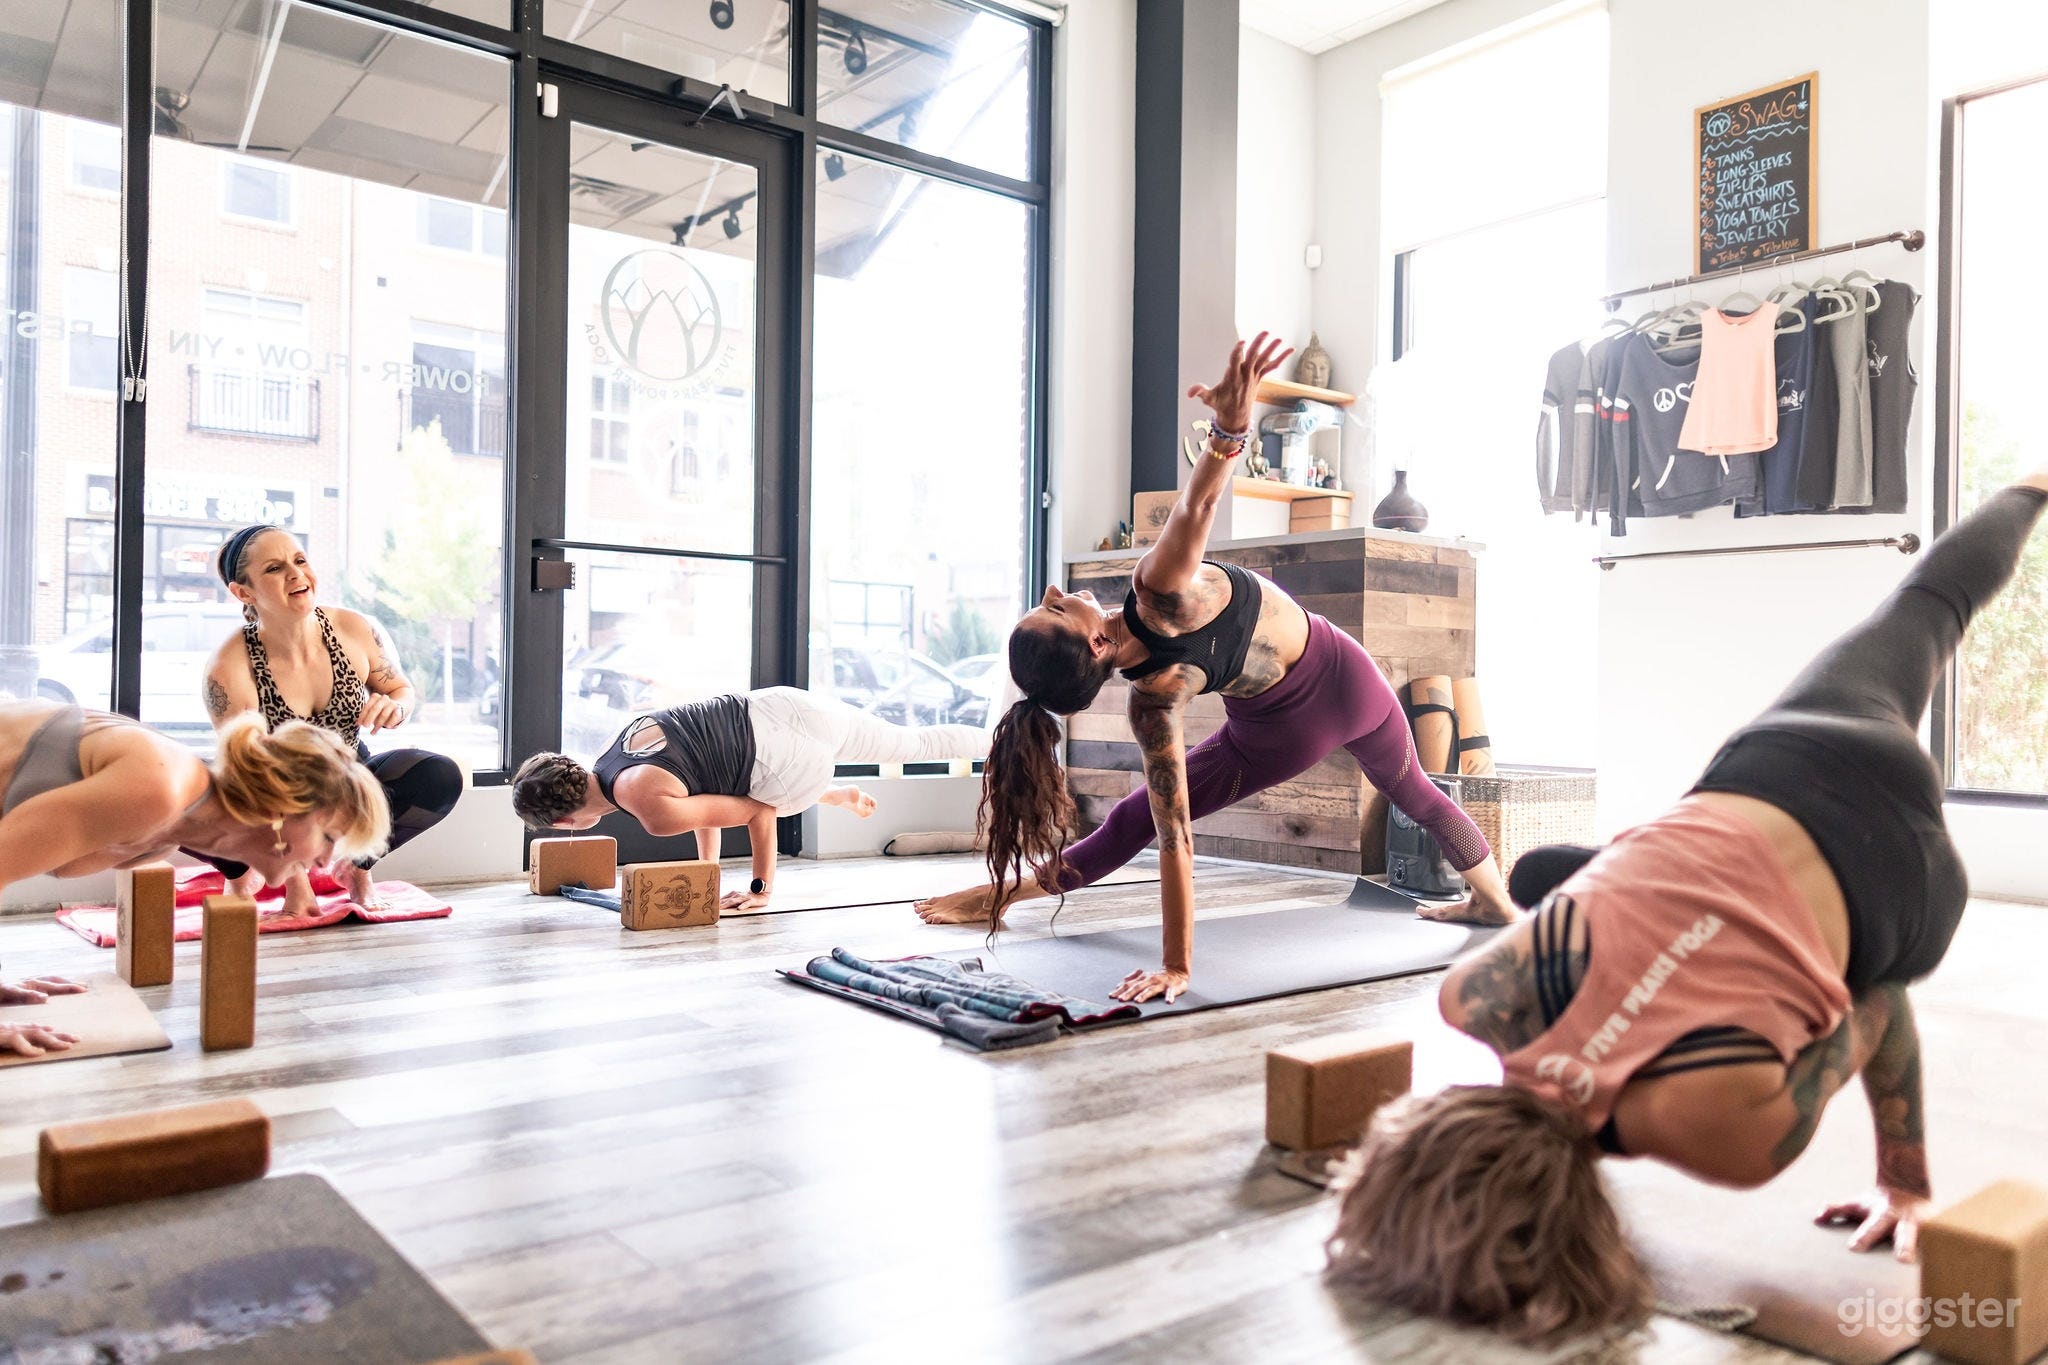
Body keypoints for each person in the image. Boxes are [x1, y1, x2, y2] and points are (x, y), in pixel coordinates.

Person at [1323, 472, 2048, 1347]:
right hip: (1784, 763)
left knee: (1566, 888)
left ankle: (1635, 879)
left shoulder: (1732, 1137)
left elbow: (1879, 1005)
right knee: (1931, 603)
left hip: (1901, 888)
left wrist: (1906, 1183)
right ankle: (2034, 484)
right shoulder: (1479, 993)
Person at [912, 333, 1518, 1003]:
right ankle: (1498, 903)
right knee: (1416, 792)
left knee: (1132, 822)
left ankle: (1001, 897)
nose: (1056, 593)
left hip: (1273, 735)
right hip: (1342, 681)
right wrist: (1230, 428)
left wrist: (1179, 963)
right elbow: (1195, 508)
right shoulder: (1157, 588)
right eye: (1055, 610)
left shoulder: (1151, 702)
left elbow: (1174, 840)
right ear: (1090, 647)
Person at [0, 701, 389, 1055]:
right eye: (328, 838)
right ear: (283, 807)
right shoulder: (160, 791)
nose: (323, 864)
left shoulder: (162, 835)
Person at [511, 687, 989, 911]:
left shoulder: (650, 810)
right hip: (783, 706)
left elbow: (758, 811)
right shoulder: (615, 756)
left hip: (789, 759)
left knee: (772, 798)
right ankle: (1004, 737)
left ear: (568, 821)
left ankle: (821, 792)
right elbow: (707, 797)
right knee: (914, 744)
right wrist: (706, 877)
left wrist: (761, 890)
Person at [202, 526, 463, 916]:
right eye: (275, 568)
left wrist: (395, 707)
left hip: (346, 780)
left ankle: (356, 869)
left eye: (300, 560)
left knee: (439, 775)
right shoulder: (229, 665)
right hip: (272, 790)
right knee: (186, 795)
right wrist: (297, 887)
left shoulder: (353, 628)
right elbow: (248, 773)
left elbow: (401, 690)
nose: (296, 575)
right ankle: (248, 869)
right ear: (245, 593)